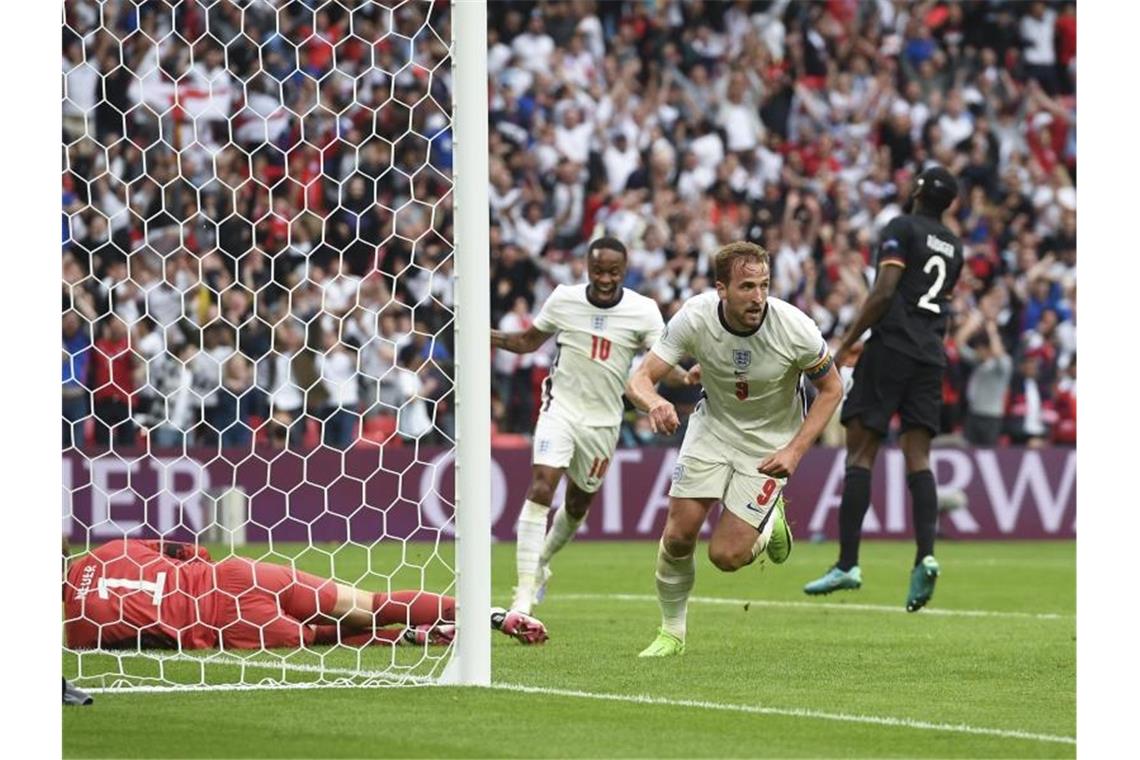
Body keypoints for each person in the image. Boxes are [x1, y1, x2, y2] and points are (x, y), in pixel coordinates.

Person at [626, 241, 843, 657]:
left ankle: (768, 521)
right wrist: (655, 402)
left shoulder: (795, 328)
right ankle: (672, 633)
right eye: (747, 287)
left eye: (764, 285)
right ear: (721, 289)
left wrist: (796, 451)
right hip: (712, 429)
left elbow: (832, 389)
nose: (759, 297)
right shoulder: (696, 316)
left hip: (769, 444)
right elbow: (638, 381)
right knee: (678, 535)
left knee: (725, 556)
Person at [491, 237, 698, 615]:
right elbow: (525, 342)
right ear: (587, 267)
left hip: (604, 421)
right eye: (598, 270)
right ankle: (521, 596)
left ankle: (542, 561)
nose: (605, 278)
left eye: (613, 271)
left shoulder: (643, 310)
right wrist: (478, 334)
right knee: (541, 486)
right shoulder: (563, 299)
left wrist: (686, 379)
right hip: (561, 409)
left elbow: (662, 362)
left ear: (625, 269)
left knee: (577, 502)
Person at [803, 166, 964, 612]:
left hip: (891, 347)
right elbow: (942, 308)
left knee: (860, 453)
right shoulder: (954, 246)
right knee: (919, 459)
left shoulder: (900, 227)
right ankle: (925, 556)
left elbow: (883, 293)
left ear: (915, 191)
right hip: (930, 355)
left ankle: (848, 563)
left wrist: (845, 344)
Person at [64, 539, 547, 651]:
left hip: (226, 623)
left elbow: (150, 642)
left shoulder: (77, 630)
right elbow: (190, 551)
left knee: (323, 637)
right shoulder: (109, 548)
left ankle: (411, 639)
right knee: (369, 603)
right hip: (236, 577)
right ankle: (494, 614)